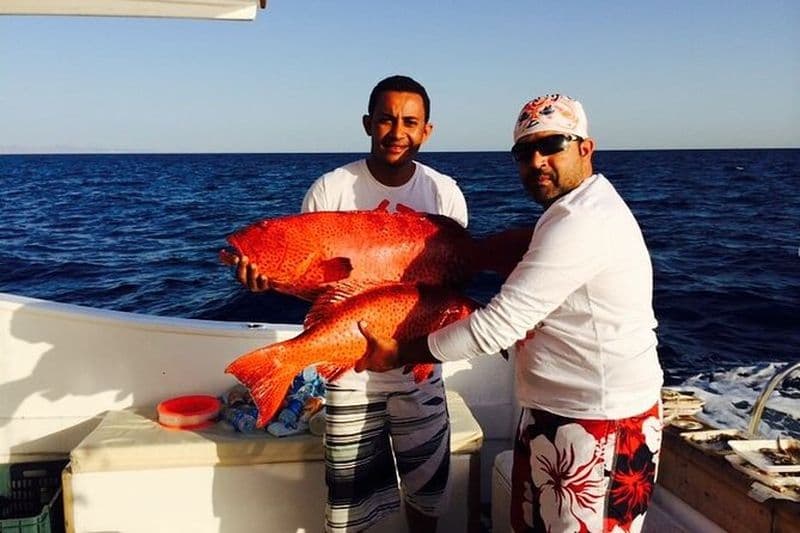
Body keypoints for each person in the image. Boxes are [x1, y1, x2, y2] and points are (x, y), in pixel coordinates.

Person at [356, 94, 664, 533]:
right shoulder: (563, 215)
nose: (536, 160)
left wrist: (398, 352)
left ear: (585, 148)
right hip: (552, 413)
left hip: (601, 422)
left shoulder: (583, 221)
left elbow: (496, 326)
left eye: (552, 144)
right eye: (524, 151)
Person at [234, 75, 468, 533]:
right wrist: (273, 283)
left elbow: (449, 289)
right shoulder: (328, 190)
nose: (397, 131)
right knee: (349, 511)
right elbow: (319, 291)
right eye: (385, 119)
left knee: (429, 496)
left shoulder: (445, 194)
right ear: (367, 123)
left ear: (427, 130)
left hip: (420, 370)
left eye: (409, 121)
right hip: (350, 375)